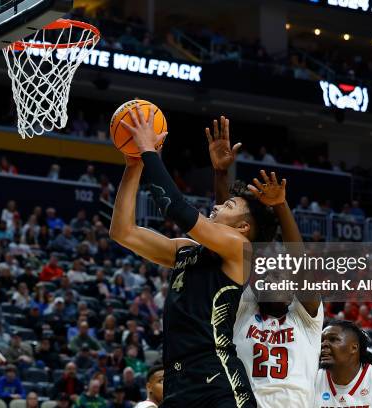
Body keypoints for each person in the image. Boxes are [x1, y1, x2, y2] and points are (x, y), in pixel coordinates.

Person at [110, 107, 275, 408]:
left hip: (217, 379)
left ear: (243, 227)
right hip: (176, 383)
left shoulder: (240, 248)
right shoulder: (185, 250)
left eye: (230, 206)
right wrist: (133, 165)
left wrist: (149, 151)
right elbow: (123, 232)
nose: (218, 206)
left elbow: (177, 208)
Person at [203, 117, 323, 407]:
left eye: (280, 275)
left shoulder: (306, 319)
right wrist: (221, 175)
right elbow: (226, 235)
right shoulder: (243, 306)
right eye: (266, 276)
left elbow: (299, 259)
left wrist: (281, 206)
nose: (273, 279)